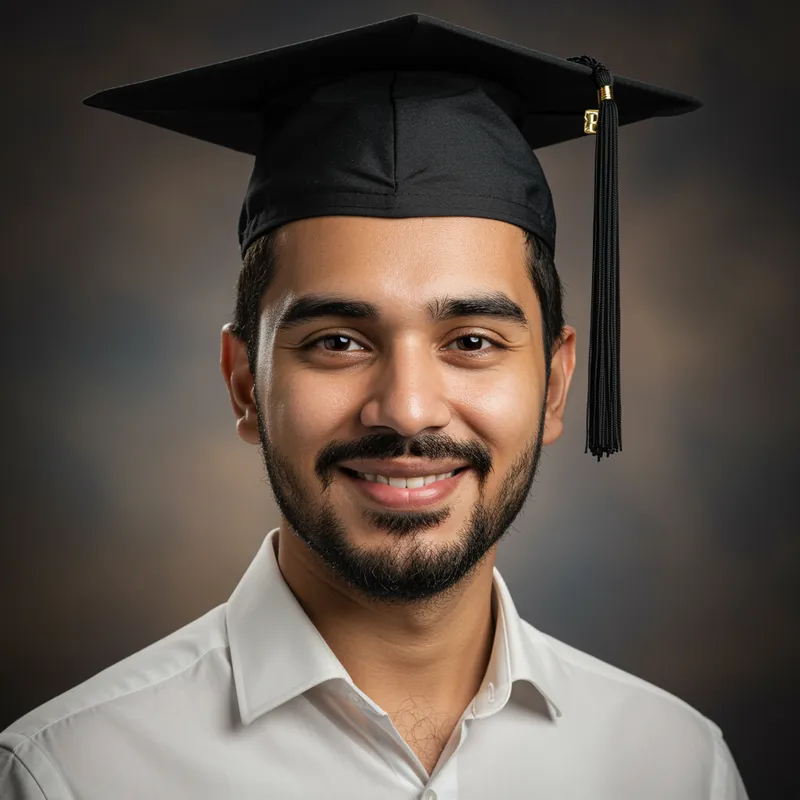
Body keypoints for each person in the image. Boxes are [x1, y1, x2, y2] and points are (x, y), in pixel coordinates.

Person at [0, 13, 748, 799]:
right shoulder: (68, 775)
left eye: (472, 341)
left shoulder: (676, 766)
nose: (408, 410)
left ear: (556, 385)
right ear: (245, 383)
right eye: (338, 342)